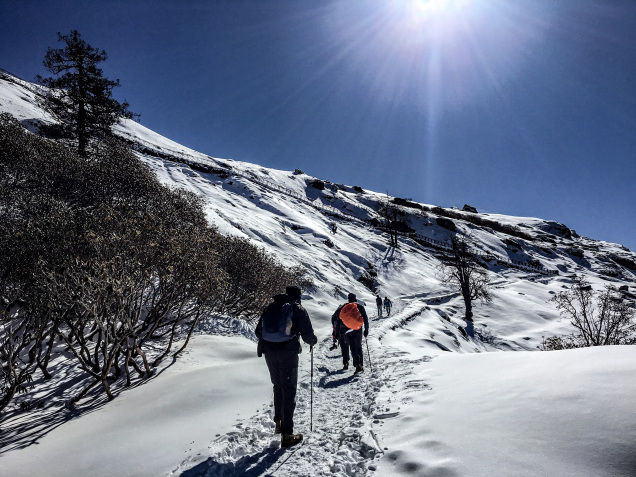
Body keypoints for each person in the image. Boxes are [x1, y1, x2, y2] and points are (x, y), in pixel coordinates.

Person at [255, 286, 317, 449]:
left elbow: (257, 331)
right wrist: (312, 341)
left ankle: (279, 422)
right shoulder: (297, 308)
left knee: (278, 386)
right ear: (298, 296)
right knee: (289, 390)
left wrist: (272, 341)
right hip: (287, 353)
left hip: (269, 353)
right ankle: (287, 434)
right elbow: (307, 334)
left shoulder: (270, 307)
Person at [332, 293, 369, 374]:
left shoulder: (344, 307)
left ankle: (357, 365)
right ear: (355, 298)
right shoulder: (359, 306)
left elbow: (338, 320)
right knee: (358, 346)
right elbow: (365, 318)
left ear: (348, 299)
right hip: (358, 329)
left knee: (352, 347)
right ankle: (360, 365)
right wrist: (366, 330)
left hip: (348, 330)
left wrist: (336, 332)